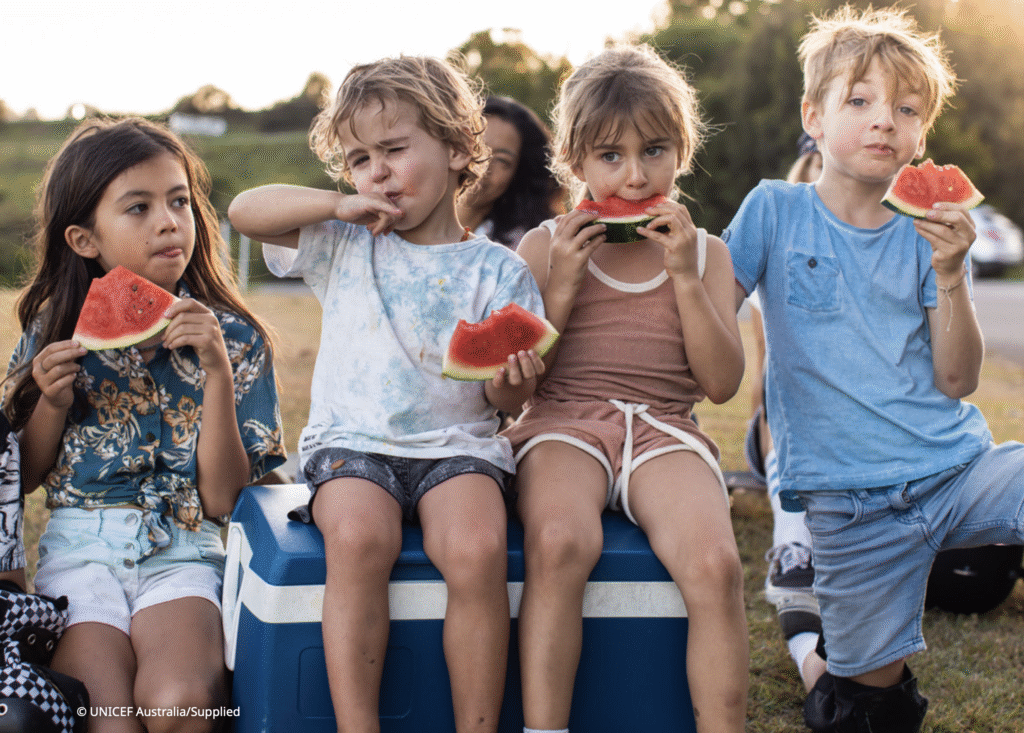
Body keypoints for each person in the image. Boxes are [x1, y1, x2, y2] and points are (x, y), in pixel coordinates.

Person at [723, 7, 1024, 732]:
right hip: (849, 513)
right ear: (814, 117)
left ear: (923, 133)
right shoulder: (774, 210)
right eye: (858, 100)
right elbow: (704, 335)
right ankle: (816, 652)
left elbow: (958, 380)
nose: (883, 120)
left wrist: (952, 272)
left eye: (906, 108)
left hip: (956, 473)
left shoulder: (930, 233)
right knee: (863, 714)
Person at [228, 55, 546, 733]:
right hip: (353, 444)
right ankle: (357, 724)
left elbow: (502, 396)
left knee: (478, 547)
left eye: (394, 150)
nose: (375, 171)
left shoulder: (497, 267)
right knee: (356, 538)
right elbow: (243, 211)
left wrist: (512, 385)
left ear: (460, 151)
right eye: (358, 159)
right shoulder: (341, 242)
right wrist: (336, 204)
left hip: (457, 447)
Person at [2, 117, 286, 733]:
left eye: (179, 201)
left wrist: (214, 372)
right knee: (106, 720)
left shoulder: (235, 339)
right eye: (139, 208)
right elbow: (21, 480)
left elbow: (224, 499)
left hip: (185, 548)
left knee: (179, 706)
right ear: (83, 240)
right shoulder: (54, 330)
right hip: (79, 552)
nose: (168, 220)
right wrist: (49, 401)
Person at [502, 44, 748, 733]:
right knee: (558, 540)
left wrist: (687, 280)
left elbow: (721, 384)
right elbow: (522, 388)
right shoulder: (544, 246)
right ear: (575, 163)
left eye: (655, 151)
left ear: (683, 152)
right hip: (562, 421)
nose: (636, 176)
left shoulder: (707, 253)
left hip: (665, 423)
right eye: (610, 156)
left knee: (715, 563)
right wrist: (564, 287)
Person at [457, 96, 562, 249]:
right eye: (476, 146)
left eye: (502, 160)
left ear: (518, 175)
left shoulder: (522, 249)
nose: (483, 165)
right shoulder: (412, 220)